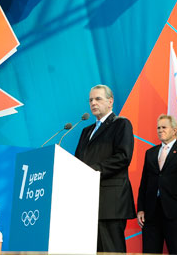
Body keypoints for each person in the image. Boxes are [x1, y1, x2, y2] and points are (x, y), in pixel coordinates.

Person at [74, 84, 136, 253]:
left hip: (110, 201)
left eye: (98, 99)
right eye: (91, 100)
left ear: (110, 101)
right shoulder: (86, 131)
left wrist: (92, 171)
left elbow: (123, 157)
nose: (93, 103)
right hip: (88, 201)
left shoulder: (121, 124)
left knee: (110, 249)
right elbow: (77, 161)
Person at [137, 115, 177, 254]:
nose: (160, 130)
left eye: (164, 127)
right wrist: (141, 208)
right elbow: (144, 183)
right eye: (158, 128)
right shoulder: (150, 153)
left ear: (175, 130)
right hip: (151, 213)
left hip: (176, 212)